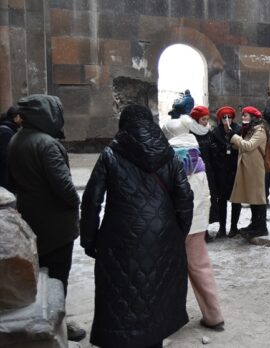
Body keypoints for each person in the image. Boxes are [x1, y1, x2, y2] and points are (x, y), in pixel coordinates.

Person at [80, 104, 194, 348]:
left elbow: (91, 201)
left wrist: (88, 239)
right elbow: (185, 196)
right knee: (156, 295)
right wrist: (177, 232)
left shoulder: (110, 154)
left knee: (121, 297)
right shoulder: (168, 154)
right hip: (163, 236)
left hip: (119, 238)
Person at [6, 95, 86, 341]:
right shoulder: (47, 144)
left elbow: (12, 181)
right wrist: (76, 202)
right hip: (56, 224)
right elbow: (64, 187)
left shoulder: (16, 138)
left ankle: (45, 319)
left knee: (40, 274)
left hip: (31, 217)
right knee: (58, 276)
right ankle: (57, 325)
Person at [161, 115, 225, 332]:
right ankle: (214, 316)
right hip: (197, 222)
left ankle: (169, 318)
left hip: (174, 222)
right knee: (201, 267)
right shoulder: (197, 155)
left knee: (168, 270)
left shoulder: (166, 158)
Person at [229, 106, 269, 240]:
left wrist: (234, 137)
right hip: (248, 167)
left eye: (245, 115)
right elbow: (243, 144)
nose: (243, 118)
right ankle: (254, 224)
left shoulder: (260, 130)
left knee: (258, 196)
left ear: (253, 116)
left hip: (255, 168)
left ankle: (261, 227)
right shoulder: (249, 129)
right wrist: (234, 142)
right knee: (253, 197)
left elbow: (249, 145)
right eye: (242, 115)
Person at [209, 106, 241, 237]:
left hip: (235, 169)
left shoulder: (238, 129)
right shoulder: (216, 132)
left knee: (236, 199)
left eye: (229, 117)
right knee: (221, 200)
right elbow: (213, 152)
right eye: (224, 117)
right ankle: (222, 228)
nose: (227, 119)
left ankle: (234, 227)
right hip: (221, 171)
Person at [189, 106, 218, 242]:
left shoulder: (208, 133)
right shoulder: (190, 133)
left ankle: (205, 230)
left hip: (209, 172)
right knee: (198, 201)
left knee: (208, 201)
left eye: (207, 119)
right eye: (203, 119)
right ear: (196, 119)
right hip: (195, 172)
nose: (206, 122)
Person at [0, 105, 21, 191]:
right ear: (16, 117)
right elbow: (6, 157)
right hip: (4, 179)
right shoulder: (6, 132)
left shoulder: (7, 130)